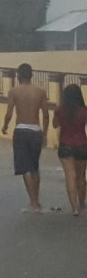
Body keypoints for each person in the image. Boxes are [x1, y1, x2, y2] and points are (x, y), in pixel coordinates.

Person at [2, 63, 49, 213]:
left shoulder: (14, 91)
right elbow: (46, 115)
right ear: (32, 75)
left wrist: (5, 126)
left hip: (21, 130)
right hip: (36, 131)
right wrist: (45, 134)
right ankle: (37, 200)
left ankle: (33, 203)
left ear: (18, 76)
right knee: (35, 167)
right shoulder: (40, 91)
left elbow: (9, 112)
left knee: (25, 167)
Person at [52, 84, 87, 216]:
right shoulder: (84, 111)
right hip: (82, 145)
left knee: (70, 176)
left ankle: (74, 208)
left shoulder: (60, 110)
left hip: (65, 145)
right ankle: (82, 202)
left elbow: (55, 125)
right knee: (81, 176)